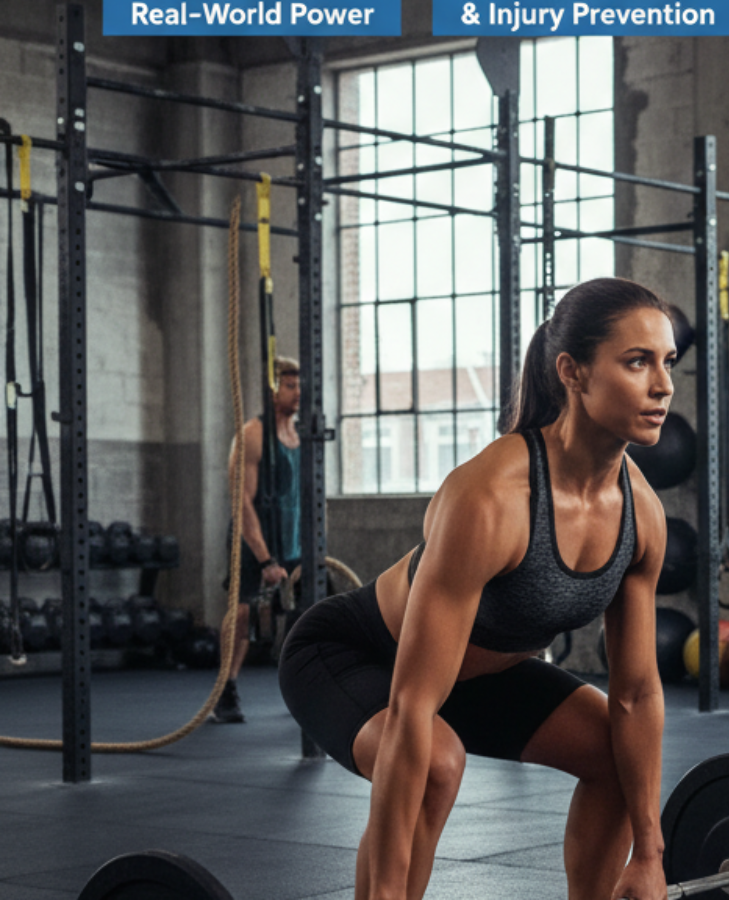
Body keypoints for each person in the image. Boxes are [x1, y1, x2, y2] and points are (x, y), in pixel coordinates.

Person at [278, 278, 677, 900]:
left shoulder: (641, 516)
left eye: (666, 362)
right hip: (353, 657)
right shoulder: (492, 498)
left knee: (617, 751)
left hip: (474, 677)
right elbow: (413, 706)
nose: (663, 386)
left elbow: (636, 693)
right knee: (437, 762)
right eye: (637, 362)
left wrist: (650, 855)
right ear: (572, 372)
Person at [215, 356, 301, 724]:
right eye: (289, 386)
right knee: (244, 613)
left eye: (299, 386)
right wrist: (265, 559)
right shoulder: (252, 434)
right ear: (272, 388)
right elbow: (242, 503)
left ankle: (304, 692)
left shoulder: (299, 434)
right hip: (253, 543)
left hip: (294, 543)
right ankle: (226, 689)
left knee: (308, 617)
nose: (297, 393)